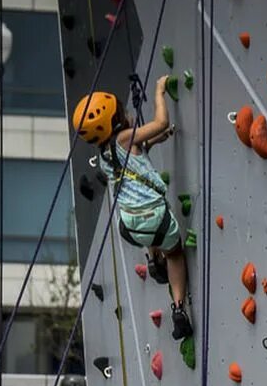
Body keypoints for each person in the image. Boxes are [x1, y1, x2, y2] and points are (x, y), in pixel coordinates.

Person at [71, 80, 193, 341]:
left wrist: (157, 140)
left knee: (148, 233)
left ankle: (152, 258)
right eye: (121, 112)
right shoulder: (125, 138)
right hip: (154, 218)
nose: (127, 112)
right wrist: (159, 92)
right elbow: (158, 123)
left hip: (129, 226)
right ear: (115, 123)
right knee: (175, 253)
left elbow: (137, 154)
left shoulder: (105, 154)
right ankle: (179, 308)